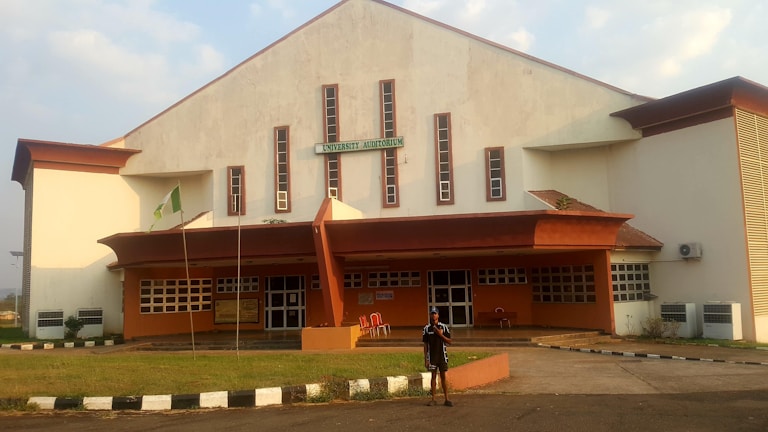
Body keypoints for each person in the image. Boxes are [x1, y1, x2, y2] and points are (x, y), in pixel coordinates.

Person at [422, 306, 453, 407]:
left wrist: (440, 334)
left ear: (438, 315)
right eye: (432, 313)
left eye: (435, 313)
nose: (433, 315)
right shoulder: (426, 329)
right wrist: (426, 359)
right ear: (430, 315)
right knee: (433, 377)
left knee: (443, 377)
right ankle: (433, 399)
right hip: (432, 357)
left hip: (442, 356)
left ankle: (447, 399)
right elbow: (425, 345)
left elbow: (449, 341)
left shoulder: (444, 327)